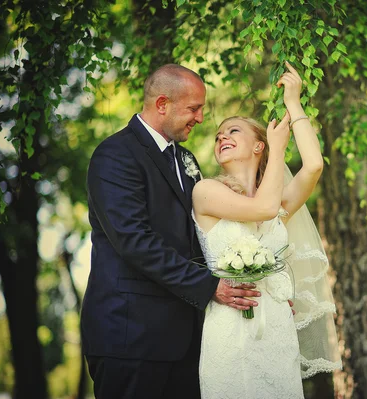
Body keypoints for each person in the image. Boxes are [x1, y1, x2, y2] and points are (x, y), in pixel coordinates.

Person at [81, 64, 261, 399]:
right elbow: (134, 242)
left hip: (185, 339)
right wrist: (210, 287)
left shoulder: (186, 159)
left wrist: (262, 293)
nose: (201, 118)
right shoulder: (115, 155)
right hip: (131, 337)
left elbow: (201, 239)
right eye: (194, 108)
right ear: (162, 104)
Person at [192, 61, 341, 399]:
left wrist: (293, 101)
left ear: (259, 146)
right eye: (218, 136)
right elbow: (263, 208)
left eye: (232, 131)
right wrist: (278, 152)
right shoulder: (207, 192)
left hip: (276, 328)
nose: (221, 138)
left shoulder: (277, 207)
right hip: (229, 329)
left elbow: (314, 165)